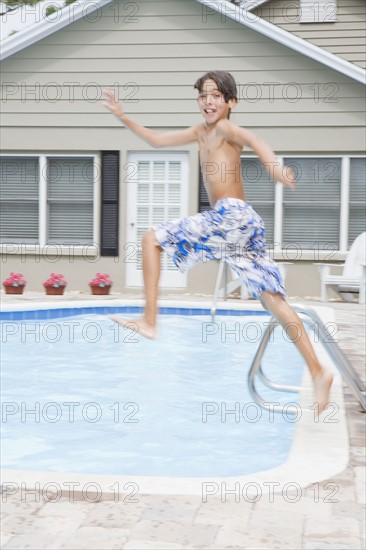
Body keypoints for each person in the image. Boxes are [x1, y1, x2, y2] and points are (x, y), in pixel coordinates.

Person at [102, 71, 333, 413]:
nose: (208, 101)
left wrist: (274, 168)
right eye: (202, 96)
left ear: (230, 102)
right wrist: (123, 117)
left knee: (151, 239)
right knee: (272, 299)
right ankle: (318, 371)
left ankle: (150, 320)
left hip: (232, 216)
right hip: (245, 224)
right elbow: (155, 140)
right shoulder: (199, 132)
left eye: (215, 95)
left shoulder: (225, 129)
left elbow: (254, 140)